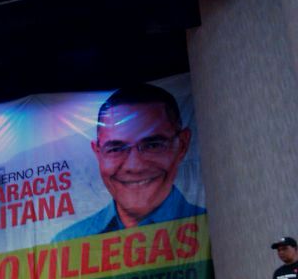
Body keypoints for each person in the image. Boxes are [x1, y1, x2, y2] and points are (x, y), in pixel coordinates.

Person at [53, 84, 205, 242]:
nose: (134, 166)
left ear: (182, 145)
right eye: (116, 149)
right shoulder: (67, 241)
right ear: (98, 154)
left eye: (153, 146)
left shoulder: (211, 225)